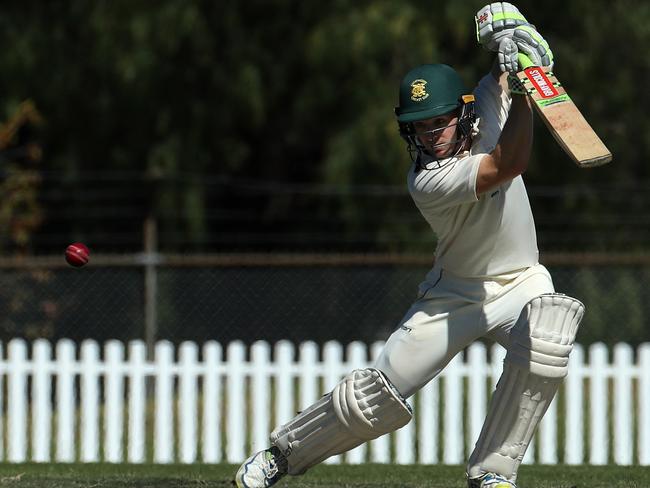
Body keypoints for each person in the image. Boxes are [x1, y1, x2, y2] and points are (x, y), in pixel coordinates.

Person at [234, 3, 585, 488]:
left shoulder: (483, 109)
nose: (431, 136)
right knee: (370, 401)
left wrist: (513, 50)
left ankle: (492, 474)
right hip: (453, 296)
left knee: (549, 334)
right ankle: (280, 455)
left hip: (521, 280)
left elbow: (503, 79)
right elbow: (510, 162)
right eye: (419, 126)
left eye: (438, 122)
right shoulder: (428, 180)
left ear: (461, 114)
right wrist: (527, 90)